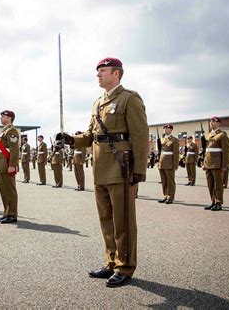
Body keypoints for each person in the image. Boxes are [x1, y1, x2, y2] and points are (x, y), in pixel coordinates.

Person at [57, 57, 148, 288]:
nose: (98, 75)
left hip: (121, 168)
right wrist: (71, 139)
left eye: (103, 71)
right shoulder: (97, 103)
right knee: (106, 220)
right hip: (100, 168)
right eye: (97, 71)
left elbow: (139, 135)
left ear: (116, 74)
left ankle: (124, 266)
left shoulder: (129, 98)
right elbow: (90, 135)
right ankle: (111, 262)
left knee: (123, 221)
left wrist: (139, 170)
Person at [0, 110, 19, 224]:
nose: (1, 118)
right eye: (1, 116)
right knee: (4, 191)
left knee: (9, 190)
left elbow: (14, 150)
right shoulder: (4, 131)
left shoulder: (12, 130)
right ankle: (6, 213)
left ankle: (12, 214)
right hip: (0, 164)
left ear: (9, 118)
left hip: (6, 164)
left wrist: (12, 165)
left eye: (3, 116)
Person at [203, 117, 229, 211]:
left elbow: (226, 151)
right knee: (210, 184)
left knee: (218, 185)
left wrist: (224, 165)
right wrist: (204, 163)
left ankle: (218, 202)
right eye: (211, 121)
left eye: (214, 121)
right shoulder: (209, 135)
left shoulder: (222, 134)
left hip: (217, 163)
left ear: (219, 123)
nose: (212, 123)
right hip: (208, 163)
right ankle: (213, 201)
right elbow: (206, 151)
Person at [157, 124, 179, 204]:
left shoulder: (174, 140)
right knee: (164, 181)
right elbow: (161, 152)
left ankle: (170, 197)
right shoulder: (162, 139)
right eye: (165, 128)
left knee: (170, 181)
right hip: (162, 163)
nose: (165, 129)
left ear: (171, 130)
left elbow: (176, 154)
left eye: (167, 128)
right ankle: (165, 195)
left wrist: (175, 165)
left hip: (169, 164)